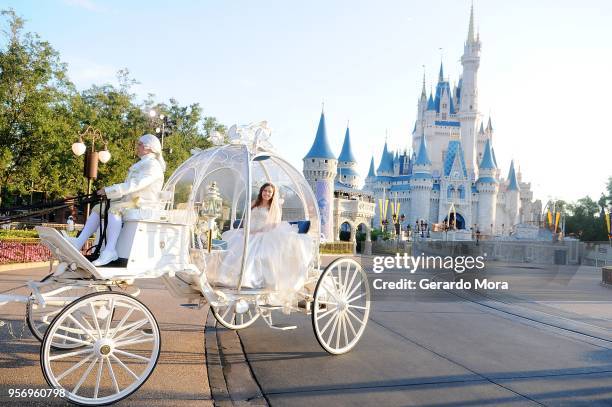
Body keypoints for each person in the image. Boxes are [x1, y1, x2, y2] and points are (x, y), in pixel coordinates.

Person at [67, 134, 165, 266]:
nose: (137, 147)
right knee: (97, 208)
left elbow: (135, 185)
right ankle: (79, 242)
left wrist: (108, 191)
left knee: (114, 209)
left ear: (149, 148)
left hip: (143, 203)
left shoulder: (153, 165)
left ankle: (110, 250)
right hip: (131, 201)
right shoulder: (143, 163)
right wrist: (107, 192)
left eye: (140, 144)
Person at [213, 182, 313, 308]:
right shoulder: (255, 203)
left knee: (252, 250)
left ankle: (247, 280)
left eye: (270, 192)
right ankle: (225, 278)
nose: (267, 193)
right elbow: (247, 218)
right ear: (261, 191)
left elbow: (274, 224)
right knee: (233, 242)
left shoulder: (274, 207)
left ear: (273, 194)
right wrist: (247, 229)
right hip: (249, 230)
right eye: (265, 191)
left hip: (263, 232)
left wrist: (258, 232)